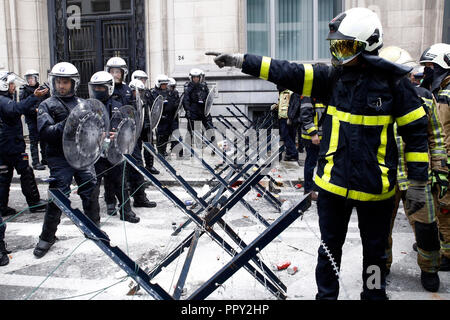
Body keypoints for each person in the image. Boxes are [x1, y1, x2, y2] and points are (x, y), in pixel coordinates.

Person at [207, 7, 429, 300]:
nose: (338, 54)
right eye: (335, 46)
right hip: (332, 188)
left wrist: (418, 184)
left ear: (369, 45)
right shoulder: (330, 79)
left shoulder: (396, 85)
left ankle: (374, 296)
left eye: (346, 46)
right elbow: (288, 70)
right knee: (329, 251)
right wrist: (241, 61)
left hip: (376, 191)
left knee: (375, 256)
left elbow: (416, 136)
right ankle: (326, 297)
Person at [380, 46, 446, 292]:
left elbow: (436, 137)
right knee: (379, 228)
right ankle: (381, 266)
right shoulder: (378, 98)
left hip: (417, 177)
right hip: (384, 176)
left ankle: (429, 270)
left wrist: (441, 171)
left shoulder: (425, 97)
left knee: (426, 226)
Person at [33, 62, 99, 258]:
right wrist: (69, 122)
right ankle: (47, 237)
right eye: (59, 82)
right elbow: (46, 133)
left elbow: (91, 127)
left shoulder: (82, 103)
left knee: (91, 190)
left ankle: (94, 228)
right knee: (58, 197)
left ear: (73, 83)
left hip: (81, 155)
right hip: (59, 159)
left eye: (65, 82)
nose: (62, 86)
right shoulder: (47, 104)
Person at [0, 72, 48, 266]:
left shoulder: (6, 98)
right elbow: (16, 110)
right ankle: (32, 202)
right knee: (17, 174)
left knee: (7, 175)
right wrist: (34, 97)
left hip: (9, 145)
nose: (13, 87)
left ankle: (11, 204)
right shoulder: (3, 100)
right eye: (11, 84)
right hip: (9, 146)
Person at [88, 71, 140, 224]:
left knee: (120, 183)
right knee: (93, 187)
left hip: (115, 151)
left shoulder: (118, 106)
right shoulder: (88, 107)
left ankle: (126, 212)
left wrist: (117, 135)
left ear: (109, 88)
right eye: (95, 88)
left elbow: (127, 128)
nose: (98, 91)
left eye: (101, 88)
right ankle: (93, 219)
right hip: (95, 154)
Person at [419, 43, 450, 272]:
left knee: (445, 209)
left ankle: (447, 253)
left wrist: (441, 166)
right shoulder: (438, 92)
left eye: (429, 66)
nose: (426, 71)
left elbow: (442, 132)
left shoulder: (446, 95)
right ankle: (438, 246)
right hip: (440, 162)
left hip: (445, 163)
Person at [127, 78, 157, 209]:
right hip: (126, 141)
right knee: (124, 172)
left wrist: (147, 135)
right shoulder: (125, 103)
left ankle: (140, 198)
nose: (138, 93)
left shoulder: (143, 104)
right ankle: (120, 202)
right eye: (135, 91)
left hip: (137, 140)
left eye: (140, 91)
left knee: (138, 168)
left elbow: (145, 122)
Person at [131, 70, 160, 175]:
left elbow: (152, 107)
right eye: (141, 79)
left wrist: (151, 122)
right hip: (136, 126)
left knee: (149, 146)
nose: (143, 81)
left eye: (144, 79)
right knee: (137, 148)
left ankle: (149, 166)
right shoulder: (130, 91)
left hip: (147, 124)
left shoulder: (147, 92)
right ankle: (139, 168)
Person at [20, 69, 50, 170]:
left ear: (36, 78)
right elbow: (23, 106)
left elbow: (48, 102)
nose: (30, 80)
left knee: (44, 139)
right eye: (28, 78)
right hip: (31, 118)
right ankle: (35, 162)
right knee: (33, 140)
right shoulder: (25, 90)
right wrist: (35, 110)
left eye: (32, 78)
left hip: (42, 118)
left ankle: (45, 159)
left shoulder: (41, 88)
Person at [299, 96, 326, 201]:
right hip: (312, 137)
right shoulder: (309, 94)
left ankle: (318, 188)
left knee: (322, 163)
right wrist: (313, 134)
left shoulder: (323, 92)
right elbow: (305, 115)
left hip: (322, 136)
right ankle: (308, 190)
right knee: (311, 163)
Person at [183, 68, 215, 150]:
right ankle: (188, 148)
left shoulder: (204, 86)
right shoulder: (188, 87)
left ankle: (212, 146)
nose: (196, 79)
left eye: (197, 77)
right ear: (191, 78)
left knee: (209, 127)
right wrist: (187, 111)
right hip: (193, 110)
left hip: (203, 110)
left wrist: (206, 105)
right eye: (194, 77)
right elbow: (186, 100)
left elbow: (209, 98)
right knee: (190, 131)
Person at [271, 85, 300, 162]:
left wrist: (291, 117)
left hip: (288, 118)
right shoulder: (281, 93)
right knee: (290, 137)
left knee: (286, 136)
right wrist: (276, 106)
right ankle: (290, 154)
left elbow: (295, 105)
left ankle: (293, 153)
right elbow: (283, 104)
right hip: (282, 117)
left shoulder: (291, 92)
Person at [168, 77, 183, 157]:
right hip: (167, 117)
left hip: (174, 116)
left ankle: (179, 151)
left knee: (176, 133)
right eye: (171, 86)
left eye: (173, 86)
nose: (172, 88)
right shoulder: (164, 93)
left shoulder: (175, 93)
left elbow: (177, 104)